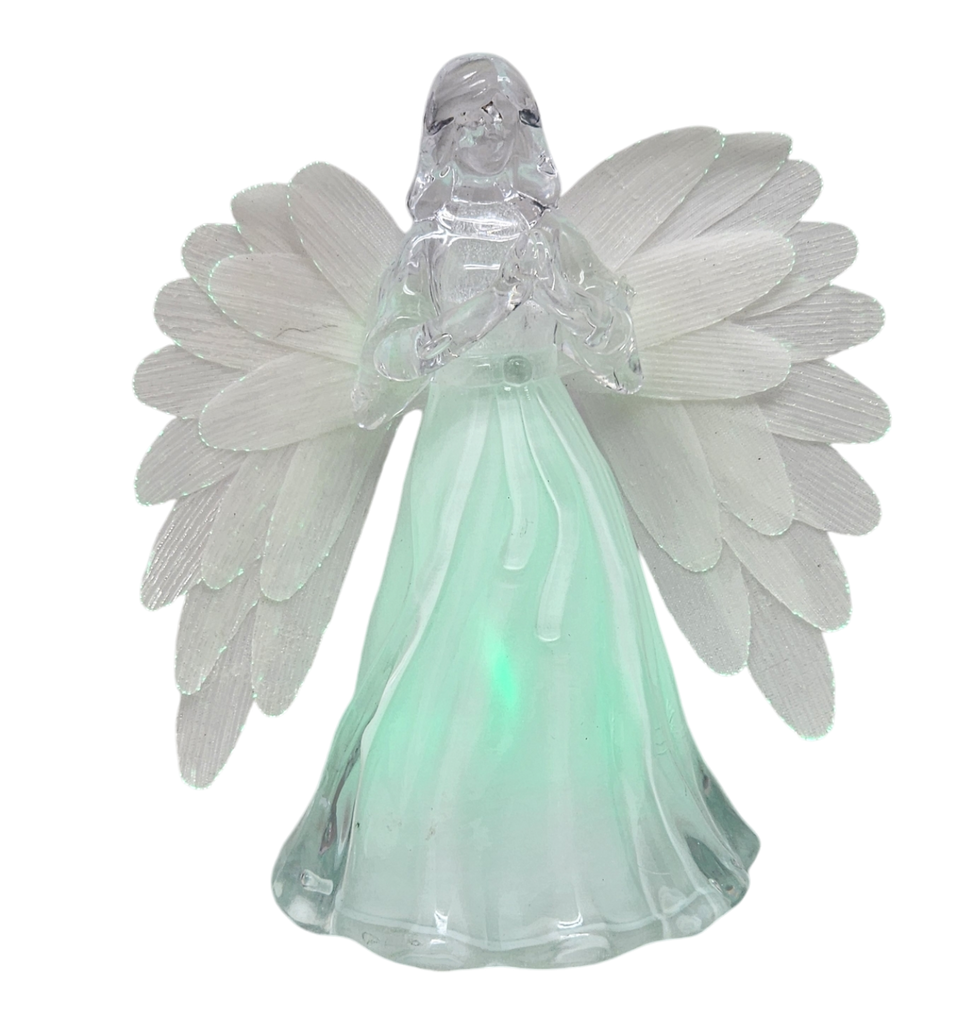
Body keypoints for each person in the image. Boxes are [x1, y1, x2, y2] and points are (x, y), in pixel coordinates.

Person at [271, 49, 761, 973]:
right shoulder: (425, 247)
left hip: (549, 448)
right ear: (438, 136)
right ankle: (432, 871)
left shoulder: (553, 240)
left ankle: (579, 863)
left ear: (530, 129)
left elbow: (621, 362)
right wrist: (475, 315)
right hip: (461, 457)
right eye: (468, 116)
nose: (489, 131)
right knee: (449, 631)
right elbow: (378, 383)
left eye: (507, 113)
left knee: (572, 636)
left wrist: (566, 306)